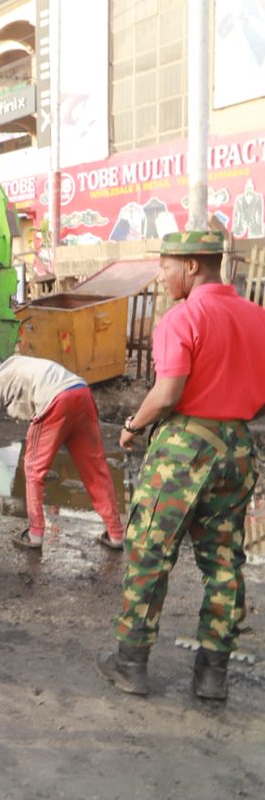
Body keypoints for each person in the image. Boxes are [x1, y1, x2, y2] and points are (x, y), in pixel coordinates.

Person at [98, 230, 265, 701]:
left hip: (184, 450)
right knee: (225, 563)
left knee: (151, 551)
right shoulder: (258, 317)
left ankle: (131, 663)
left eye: (166, 264)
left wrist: (132, 424)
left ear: (192, 265)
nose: (161, 273)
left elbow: (168, 392)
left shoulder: (182, 317)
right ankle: (213, 676)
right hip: (237, 447)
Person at [0, 353, 124, 550]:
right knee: (95, 467)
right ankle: (116, 533)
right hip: (81, 392)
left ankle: (35, 534)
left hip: (55, 401)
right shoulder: (16, 362)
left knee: (33, 469)